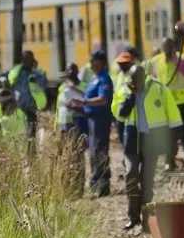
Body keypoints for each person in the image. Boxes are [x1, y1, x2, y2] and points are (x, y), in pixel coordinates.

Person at [114, 64, 182, 231]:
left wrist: (175, 140)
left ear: (144, 77)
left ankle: (147, 220)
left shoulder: (159, 89)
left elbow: (173, 115)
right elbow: (120, 115)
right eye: (132, 80)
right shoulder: (124, 90)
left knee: (147, 182)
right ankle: (133, 216)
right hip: (132, 142)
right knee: (130, 175)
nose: (135, 83)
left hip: (151, 142)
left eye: (138, 80)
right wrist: (131, 96)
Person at [69, 50, 114, 197]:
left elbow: (103, 100)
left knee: (98, 151)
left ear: (101, 62)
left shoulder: (104, 79)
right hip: (92, 119)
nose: (90, 63)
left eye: (93, 60)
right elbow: (90, 95)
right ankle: (96, 184)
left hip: (100, 119)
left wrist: (84, 102)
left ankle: (102, 185)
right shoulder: (95, 78)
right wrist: (78, 93)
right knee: (94, 151)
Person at [147, 37, 184, 164]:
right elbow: (152, 76)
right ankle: (170, 157)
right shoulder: (156, 60)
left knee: (182, 128)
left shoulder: (180, 58)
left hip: (179, 101)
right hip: (164, 101)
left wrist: (175, 60)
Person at [55, 63, 88, 197]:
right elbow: (59, 108)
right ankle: (68, 188)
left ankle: (79, 188)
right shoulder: (62, 87)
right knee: (65, 157)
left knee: (78, 157)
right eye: (68, 70)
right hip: (63, 126)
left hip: (77, 125)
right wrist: (56, 128)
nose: (69, 72)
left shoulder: (83, 86)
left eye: (72, 70)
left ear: (77, 71)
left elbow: (88, 103)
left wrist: (76, 90)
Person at [7, 50, 48, 139]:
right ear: (22, 59)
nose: (29, 61)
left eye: (30, 59)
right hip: (18, 107)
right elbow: (5, 77)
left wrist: (35, 71)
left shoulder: (37, 73)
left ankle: (31, 147)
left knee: (31, 132)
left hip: (31, 107)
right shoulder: (16, 71)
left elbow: (44, 84)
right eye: (26, 59)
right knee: (18, 132)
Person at [112, 47, 139, 149]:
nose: (122, 65)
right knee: (123, 142)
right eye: (120, 63)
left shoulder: (134, 75)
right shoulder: (119, 76)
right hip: (119, 114)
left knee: (130, 144)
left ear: (130, 64)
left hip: (130, 113)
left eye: (124, 63)